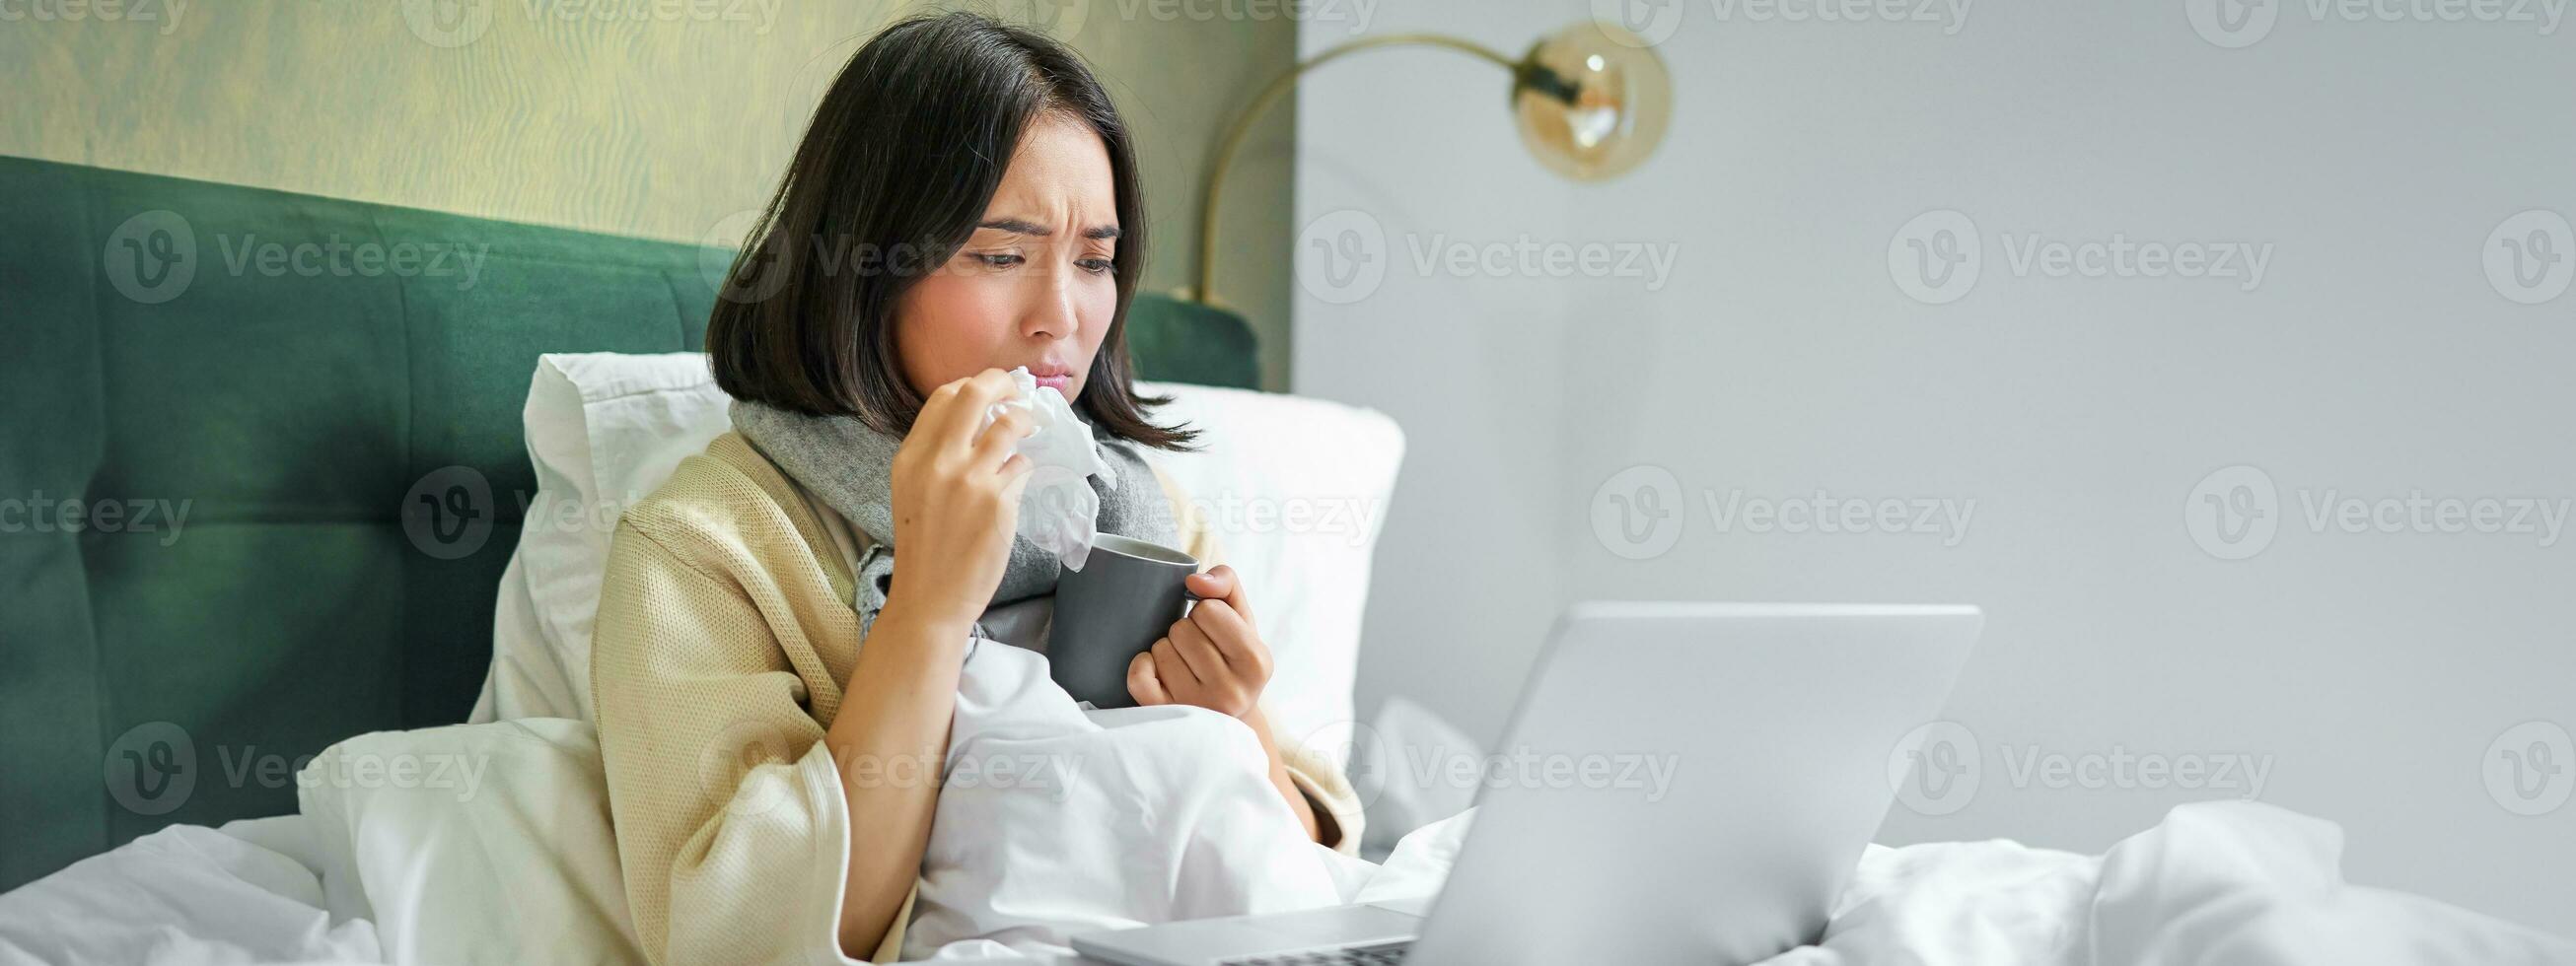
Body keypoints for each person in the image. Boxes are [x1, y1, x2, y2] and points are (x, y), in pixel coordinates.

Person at [586, 12, 1361, 965]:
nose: (1061, 318)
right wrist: (927, 610)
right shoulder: (710, 546)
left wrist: (1236, 726)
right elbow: (741, 941)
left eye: (1095, 260)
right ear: (866, 266)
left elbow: (1318, 870)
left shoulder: (1142, 511)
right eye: (1000, 255)